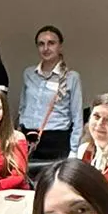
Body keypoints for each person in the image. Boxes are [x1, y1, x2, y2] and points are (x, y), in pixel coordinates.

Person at [17, 26, 84, 164]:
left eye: (51, 43)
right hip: (28, 138)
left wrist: (74, 150)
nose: (46, 48)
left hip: (56, 140)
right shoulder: (29, 73)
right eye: (41, 44)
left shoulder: (72, 77)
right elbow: (22, 107)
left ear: (60, 46)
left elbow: (77, 117)